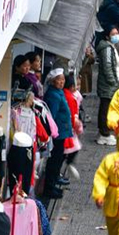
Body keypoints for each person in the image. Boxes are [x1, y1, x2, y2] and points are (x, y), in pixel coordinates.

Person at [42, 69, 72, 199]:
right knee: (54, 160)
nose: (61, 82)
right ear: (53, 81)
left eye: (63, 79)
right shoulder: (53, 95)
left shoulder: (58, 92)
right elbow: (52, 116)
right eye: (59, 79)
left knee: (58, 159)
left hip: (61, 132)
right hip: (57, 133)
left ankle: (53, 184)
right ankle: (49, 188)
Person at [96, 27, 119, 145]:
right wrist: (113, 81)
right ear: (107, 36)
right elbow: (107, 66)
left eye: (117, 33)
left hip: (110, 83)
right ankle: (104, 133)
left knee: (106, 107)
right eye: (113, 34)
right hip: (107, 84)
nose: (116, 36)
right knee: (105, 109)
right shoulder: (106, 48)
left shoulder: (111, 47)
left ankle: (104, 132)